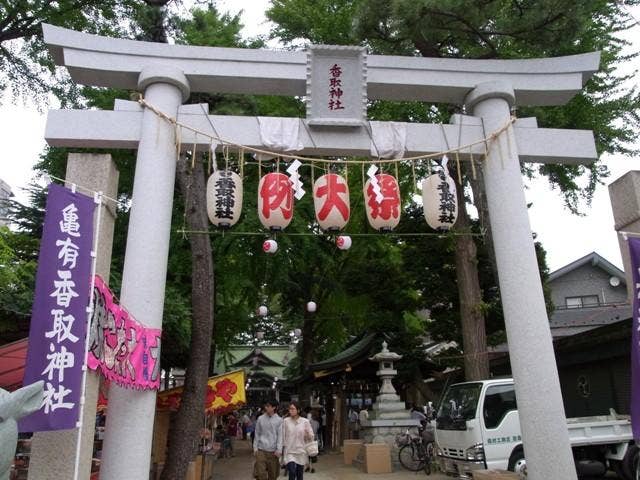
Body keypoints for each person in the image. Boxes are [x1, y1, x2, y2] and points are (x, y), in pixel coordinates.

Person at [282, 401, 314, 480]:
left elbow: (312, 436)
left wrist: (307, 435)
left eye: (293, 409)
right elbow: (282, 436)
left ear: (298, 410)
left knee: (299, 474)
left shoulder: (305, 421)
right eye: (290, 409)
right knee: (292, 472)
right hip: (289, 451)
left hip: (301, 451)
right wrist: (281, 449)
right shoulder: (286, 421)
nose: (291, 411)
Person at [253, 399, 283, 480]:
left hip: (273, 452)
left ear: (274, 407)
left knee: (273, 475)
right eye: (265, 406)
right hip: (261, 450)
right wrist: (255, 448)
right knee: (260, 473)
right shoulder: (260, 419)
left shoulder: (279, 420)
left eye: (268, 406)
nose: (266, 408)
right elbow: (257, 434)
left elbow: (280, 436)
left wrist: (279, 450)